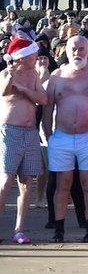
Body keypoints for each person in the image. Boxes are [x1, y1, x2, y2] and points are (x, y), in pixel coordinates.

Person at [42, 36, 88, 243]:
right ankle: (59, 229)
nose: (78, 52)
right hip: (61, 137)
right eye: (74, 48)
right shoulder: (57, 76)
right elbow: (48, 109)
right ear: (67, 50)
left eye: (82, 48)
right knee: (62, 185)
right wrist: (49, 136)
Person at [0, 37, 48, 245]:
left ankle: (19, 229)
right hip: (10, 132)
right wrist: (11, 78)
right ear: (23, 57)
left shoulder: (34, 74)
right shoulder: (5, 73)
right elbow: (3, 91)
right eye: (33, 54)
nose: (37, 57)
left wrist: (25, 90)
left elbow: (43, 99)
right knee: (5, 182)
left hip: (30, 133)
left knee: (27, 182)